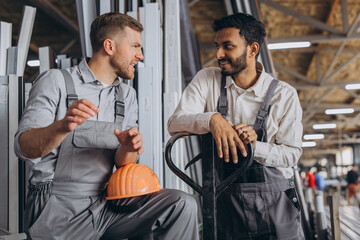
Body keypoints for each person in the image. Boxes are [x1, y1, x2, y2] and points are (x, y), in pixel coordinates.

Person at [15, 12, 198, 240]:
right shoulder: (56, 81)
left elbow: (122, 164)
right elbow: (24, 148)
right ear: (109, 46)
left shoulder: (126, 94)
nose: (140, 56)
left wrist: (128, 148)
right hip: (58, 207)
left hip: (107, 204)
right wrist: (62, 127)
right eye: (135, 46)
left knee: (181, 203)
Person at [168, 13, 304, 239]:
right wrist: (212, 120)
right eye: (217, 46)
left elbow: (292, 154)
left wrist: (254, 146)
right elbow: (174, 123)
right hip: (226, 205)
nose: (218, 54)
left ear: (252, 49)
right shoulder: (207, 80)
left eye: (227, 46)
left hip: (276, 206)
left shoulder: (284, 95)